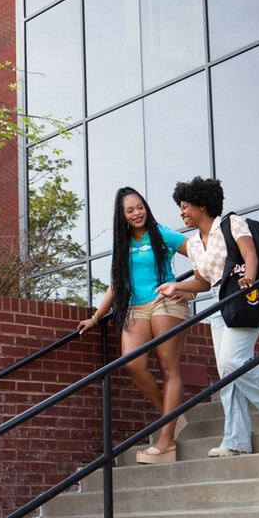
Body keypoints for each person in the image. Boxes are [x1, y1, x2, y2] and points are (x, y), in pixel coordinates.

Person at [156, 176, 259, 457]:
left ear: (202, 205)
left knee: (232, 361)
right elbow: (203, 282)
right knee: (226, 373)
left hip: (244, 298)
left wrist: (249, 278)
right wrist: (178, 287)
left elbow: (250, 255)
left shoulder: (231, 224)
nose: (181, 213)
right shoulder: (195, 245)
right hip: (219, 304)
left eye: (185, 206)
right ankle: (235, 440)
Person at [78, 187, 195, 464]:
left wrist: (190, 288)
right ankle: (171, 416)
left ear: (146, 207)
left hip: (165, 301)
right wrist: (96, 318)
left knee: (169, 368)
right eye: (130, 210)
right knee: (132, 363)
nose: (137, 213)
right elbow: (116, 286)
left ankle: (166, 443)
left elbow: (200, 254)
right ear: (123, 217)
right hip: (136, 307)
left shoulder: (162, 233)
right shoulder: (123, 244)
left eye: (139, 207)